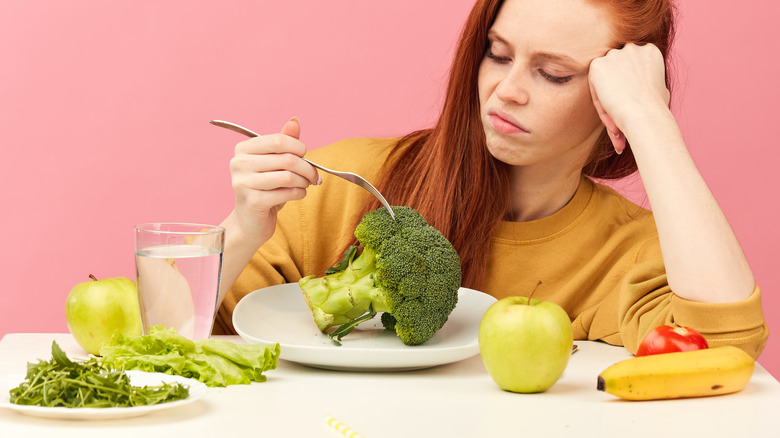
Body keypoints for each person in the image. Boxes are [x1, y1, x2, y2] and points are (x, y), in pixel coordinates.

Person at [213, 0, 768, 358]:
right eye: (498, 55)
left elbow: (723, 352)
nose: (506, 91)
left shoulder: (629, 252)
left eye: (553, 73)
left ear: (611, 100)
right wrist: (241, 230)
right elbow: (153, 333)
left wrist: (650, 118)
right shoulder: (342, 184)